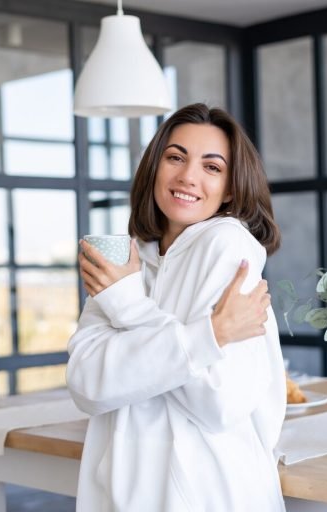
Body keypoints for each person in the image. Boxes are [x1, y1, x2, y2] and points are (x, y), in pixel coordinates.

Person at [66, 103, 286, 511]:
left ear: (232, 187)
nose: (188, 176)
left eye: (212, 167)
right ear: (155, 168)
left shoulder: (228, 246)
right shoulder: (126, 258)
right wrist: (208, 336)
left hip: (208, 495)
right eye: (175, 157)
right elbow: (86, 384)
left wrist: (128, 307)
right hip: (120, 493)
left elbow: (220, 402)